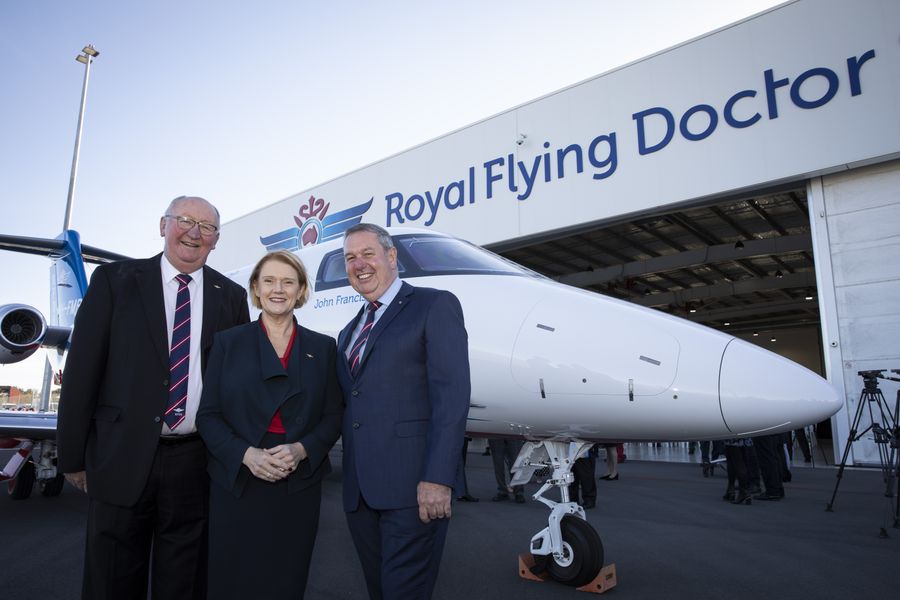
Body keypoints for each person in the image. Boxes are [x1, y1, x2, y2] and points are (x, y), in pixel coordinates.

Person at [57, 196, 250, 600]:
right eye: (184, 220)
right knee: (111, 579)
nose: (195, 233)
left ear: (216, 240)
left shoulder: (230, 296)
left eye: (207, 227)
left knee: (183, 582)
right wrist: (73, 457)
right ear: (163, 226)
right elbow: (82, 372)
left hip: (195, 463)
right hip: (119, 456)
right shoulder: (114, 281)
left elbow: (234, 385)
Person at [196, 250, 343, 599]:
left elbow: (333, 415)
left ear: (301, 290)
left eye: (288, 282)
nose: (279, 289)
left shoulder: (322, 348)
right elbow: (208, 415)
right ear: (256, 289)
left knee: (286, 578)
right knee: (233, 579)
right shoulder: (228, 343)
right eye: (270, 281)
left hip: (297, 482)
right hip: (240, 479)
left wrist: (301, 449)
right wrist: (246, 455)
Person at [337, 223, 471, 599]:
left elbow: (451, 397)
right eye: (350, 258)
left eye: (367, 254)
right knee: (379, 590)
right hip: (361, 495)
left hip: (415, 490)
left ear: (391, 257)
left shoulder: (434, 305)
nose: (359, 264)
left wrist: (438, 478)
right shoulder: (349, 332)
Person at [489, 438, 525, 503]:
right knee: (498, 462)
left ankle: (518, 491)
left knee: (516, 461)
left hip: (514, 431)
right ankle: (502, 491)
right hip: (495, 432)